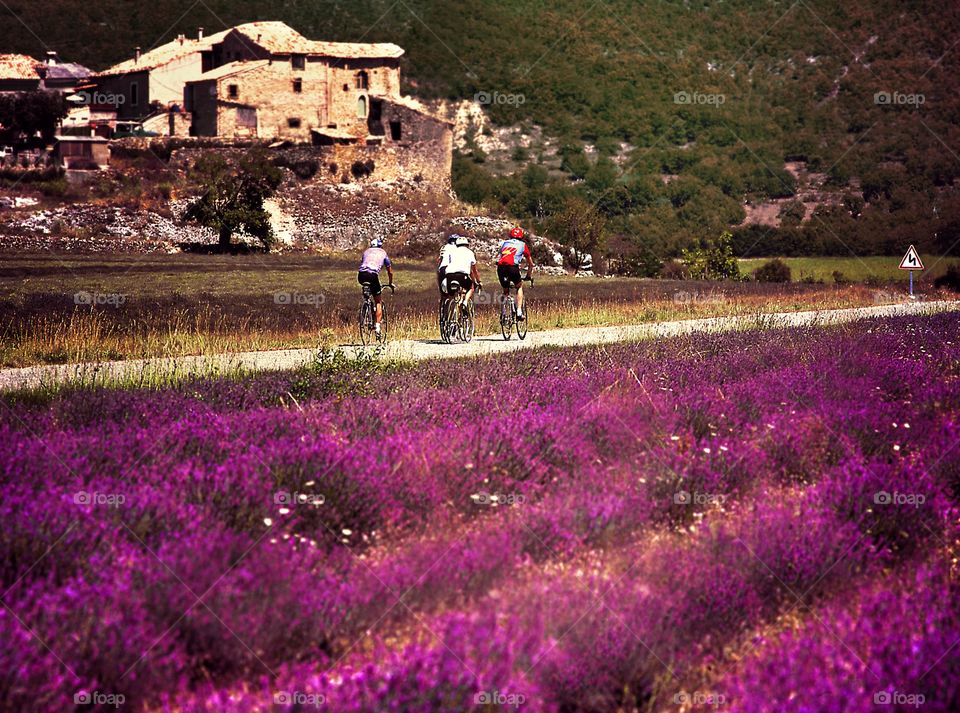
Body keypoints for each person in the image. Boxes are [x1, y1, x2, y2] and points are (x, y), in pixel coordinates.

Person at [357, 238, 394, 335]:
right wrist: (390, 283)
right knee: (378, 301)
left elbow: (363, 263)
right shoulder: (383, 253)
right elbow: (390, 271)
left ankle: (366, 303)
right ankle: (377, 326)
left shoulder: (366, 251)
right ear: (380, 246)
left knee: (367, 291)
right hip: (373, 275)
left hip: (361, 275)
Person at [496, 226, 533, 320]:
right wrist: (528, 275)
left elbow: (502, 256)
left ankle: (504, 313)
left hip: (501, 268)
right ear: (521, 237)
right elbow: (530, 263)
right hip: (513, 267)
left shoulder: (505, 243)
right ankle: (519, 311)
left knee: (505, 291)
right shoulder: (523, 245)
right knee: (519, 286)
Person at [444, 235, 482, 305]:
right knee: (471, 287)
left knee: (451, 294)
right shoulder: (470, 252)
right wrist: (478, 281)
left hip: (449, 275)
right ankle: (465, 302)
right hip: (462, 275)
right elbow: (473, 270)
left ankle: (450, 309)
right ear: (467, 245)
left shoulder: (452, 252)